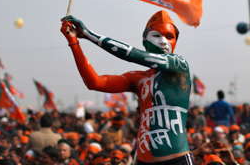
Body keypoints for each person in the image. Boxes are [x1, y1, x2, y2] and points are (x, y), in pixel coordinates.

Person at [60, 10, 193, 164]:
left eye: (170, 37)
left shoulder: (179, 65)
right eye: (156, 36)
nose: (164, 42)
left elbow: (131, 54)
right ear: (145, 42)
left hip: (176, 161)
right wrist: (73, 42)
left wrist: (89, 34)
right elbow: (94, 82)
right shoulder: (138, 78)